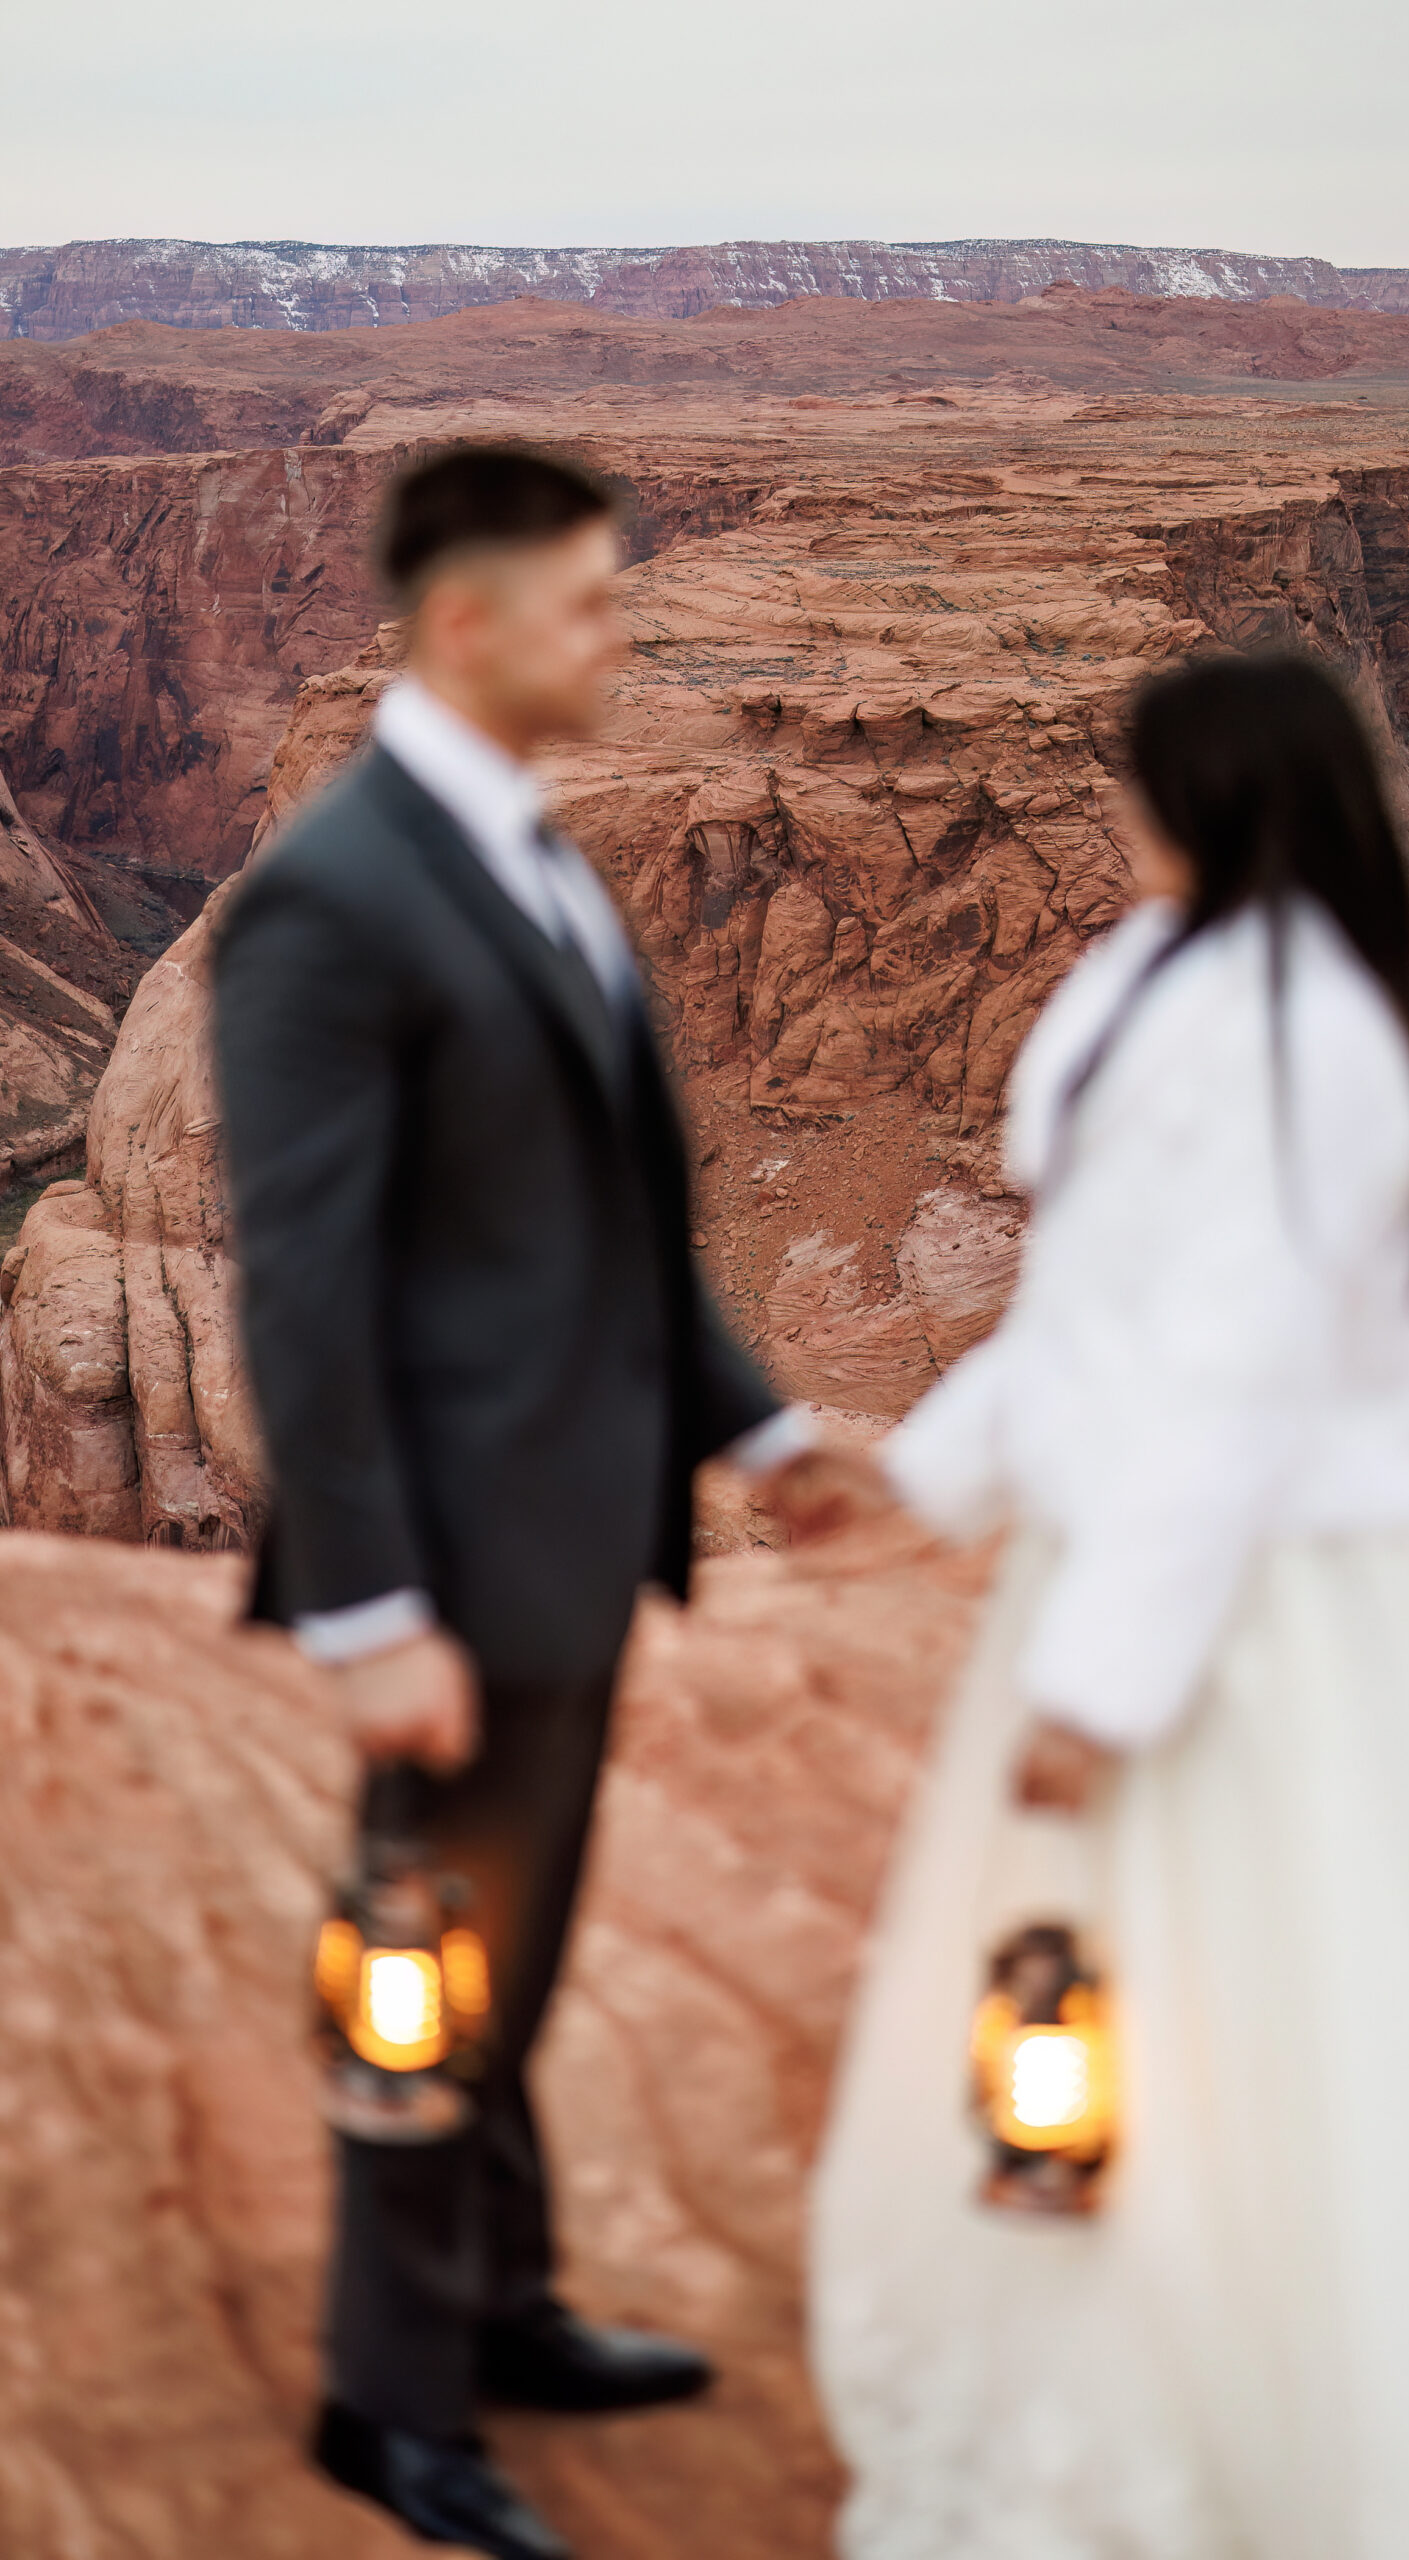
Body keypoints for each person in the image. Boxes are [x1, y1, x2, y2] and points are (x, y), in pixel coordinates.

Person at [808, 652, 1409, 2559]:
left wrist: (1105, 1683)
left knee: (1302, 2013)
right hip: (1122, 1571)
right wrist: (912, 1481)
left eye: (1138, 782)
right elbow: (1089, 1321)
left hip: (1266, 1614)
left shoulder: (1325, 1054)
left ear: (1211, 800)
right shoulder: (1165, 985)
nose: (1111, 813)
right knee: (1112, 2020)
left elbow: (1227, 1388)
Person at [214, 444, 816, 2560]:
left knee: (513, 1941)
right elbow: (306, 1281)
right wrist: (370, 1609)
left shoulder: (525, 853)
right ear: (463, 621)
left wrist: (756, 1431)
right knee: (425, 1968)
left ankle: (511, 2301)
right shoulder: (334, 893)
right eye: (588, 602)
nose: (622, 633)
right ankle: (394, 2405)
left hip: (559, 1541)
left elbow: (613, 1217)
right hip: (453, 1572)